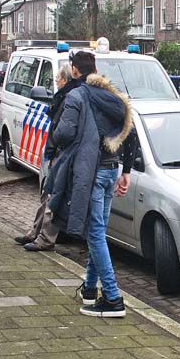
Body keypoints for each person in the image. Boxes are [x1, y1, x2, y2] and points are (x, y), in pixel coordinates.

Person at [44, 50, 136, 318]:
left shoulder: (77, 96)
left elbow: (63, 133)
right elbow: (129, 133)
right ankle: (89, 288)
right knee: (99, 231)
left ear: (74, 70)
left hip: (92, 172)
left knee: (94, 233)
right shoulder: (111, 96)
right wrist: (126, 171)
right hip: (111, 169)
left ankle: (113, 297)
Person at [14, 61, 85, 251]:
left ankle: (45, 239)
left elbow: (63, 130)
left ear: (65, 79)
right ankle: (35, 232)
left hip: (60, 154)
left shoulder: (69, 97)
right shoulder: (64, 96)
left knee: (53, 196)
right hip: (56, 152)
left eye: (57, 79)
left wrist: (54, 150)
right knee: (47, 194)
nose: (56, 82)